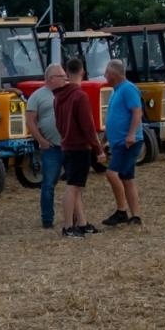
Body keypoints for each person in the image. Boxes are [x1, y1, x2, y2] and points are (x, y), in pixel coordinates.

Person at [53, 56, 105, 237]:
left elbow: (58, 123)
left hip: (67, 145)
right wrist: (98, 149)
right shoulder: (80, 96)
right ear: (82, 71)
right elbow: (88, 127)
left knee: (77, 187)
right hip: (79, 147)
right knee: (73, 187)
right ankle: (68, 226)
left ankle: (82, 223)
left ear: (67, 73)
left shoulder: (58, 97)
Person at [100, 57, 144, 228]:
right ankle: (136, 215)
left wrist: (131, 134)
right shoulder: (115, 91)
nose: (104, 75)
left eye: (106, 72)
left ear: (113, 74)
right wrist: (104, 140)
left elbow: (137, 112)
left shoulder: (128, 89)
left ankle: (121, 211)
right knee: (127, 177)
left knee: (112, 174)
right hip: (118, 142)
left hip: (127, 142)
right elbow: (112, 118)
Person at [25, 63, 66, 229]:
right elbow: (30, 121)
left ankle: (76, 217)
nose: (65, 79)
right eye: (61, 76)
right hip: (51, 148)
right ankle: (47, 219)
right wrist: (41, 141)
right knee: (48, 184)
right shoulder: (37, 96)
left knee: (74, 184)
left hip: (70, 146)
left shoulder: (68, 93)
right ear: (51, 78)